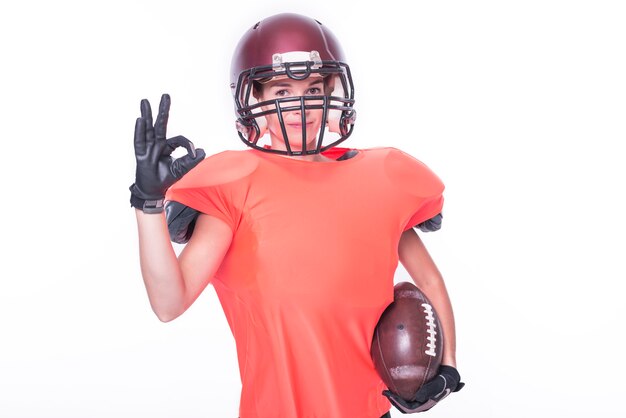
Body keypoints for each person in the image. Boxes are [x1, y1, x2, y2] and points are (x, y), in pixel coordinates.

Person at [130, 12, 463, 418]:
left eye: (315, 87)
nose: (300, 103)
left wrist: (447, 366)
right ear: (254, 98)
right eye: (282, 89)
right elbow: (169, 301)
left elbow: (428, 279)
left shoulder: (381, 180)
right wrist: (147, 202)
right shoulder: (235, 185)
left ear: (334, 92)